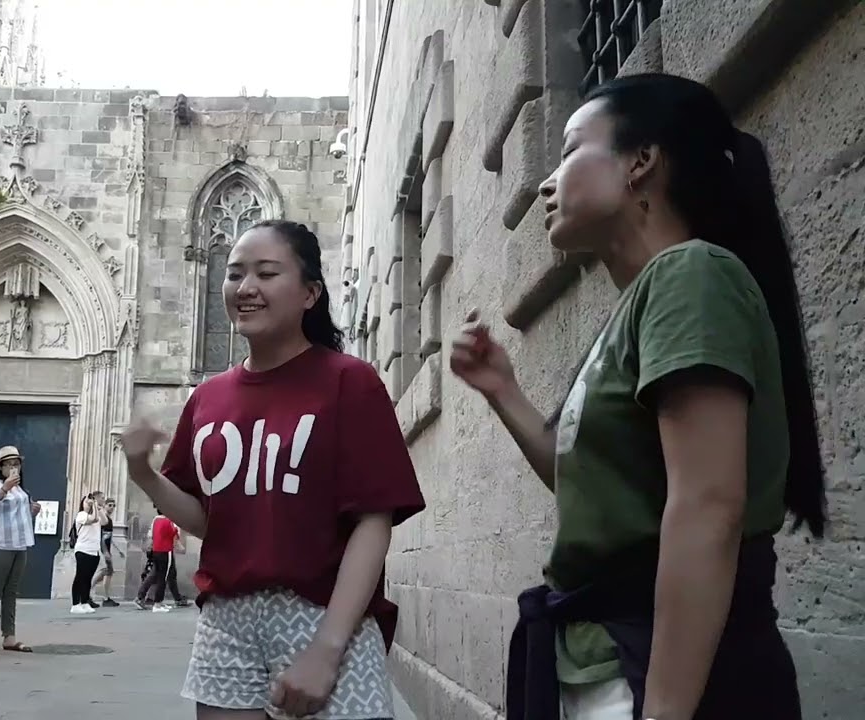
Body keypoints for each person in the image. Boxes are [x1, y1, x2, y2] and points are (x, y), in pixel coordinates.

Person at [449, 74, 825, 720]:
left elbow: (708, 505)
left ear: (640, 161)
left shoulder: (691, 274)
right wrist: (501, 389)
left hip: (662, 675)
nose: (546, 182)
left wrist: (666, 709)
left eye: (568, 151)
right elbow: (589, 481)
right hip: (609, 665)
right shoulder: (643, 303)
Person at [121, 220, 426, 720]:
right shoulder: (207, 398)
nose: (245, 288)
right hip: (226, 622)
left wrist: (327, 650)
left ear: (310, 293)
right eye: (234, 273)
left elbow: (373, 523)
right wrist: (144, 474)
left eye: (266, 273)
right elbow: (208, 520)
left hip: (326, 617)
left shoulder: (350, 382)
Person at [0, 445, 40, 654]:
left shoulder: (22, 490)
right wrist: (4, 490)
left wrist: (33, 511)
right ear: (1, 468)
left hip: (19, 545)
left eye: (16, 464)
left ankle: (9, 637)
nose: (14, 468)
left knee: (11, 592)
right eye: (9, 464)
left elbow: (19, 519)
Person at [70, 491, 107, 614]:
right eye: (86, 502)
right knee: (80, 576)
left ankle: (84, 602)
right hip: (83, 549)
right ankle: (75, 604)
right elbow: (93, 519)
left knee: (88, 578)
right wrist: (94, 506)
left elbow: (105, 521)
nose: (89, 504)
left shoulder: (96, 513)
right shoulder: (81, 515)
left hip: (94, 550)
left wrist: (99, 507)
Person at [91, 496, 121, 607]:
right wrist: (105, 552)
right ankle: (94, 594)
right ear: (104, 505)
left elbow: (109, 537)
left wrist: (117, 550)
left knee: (107, 572)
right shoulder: (103, 520)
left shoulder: (109, 520)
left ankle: (104, 596)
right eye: (110, 505)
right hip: (103, 550)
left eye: (113, 506)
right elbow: (101, 537)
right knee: (104, 571)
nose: (112, 508)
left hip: (106, 549)